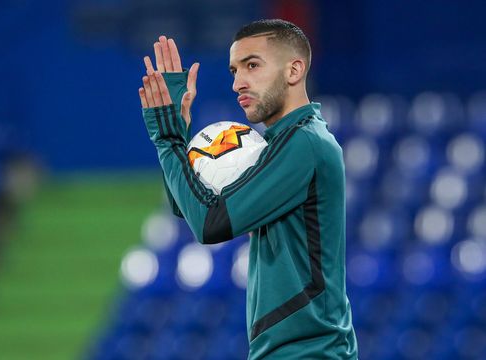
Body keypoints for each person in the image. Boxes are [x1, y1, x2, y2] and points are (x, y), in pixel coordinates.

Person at [139, 19, 358, 359]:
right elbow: (188, 207)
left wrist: (168, 141)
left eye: (252, 65)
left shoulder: (305, 143)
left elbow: (210, 224)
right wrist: (177, 137)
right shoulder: (279, 145)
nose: (238, 83)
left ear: (294, 70)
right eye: (233, 71)